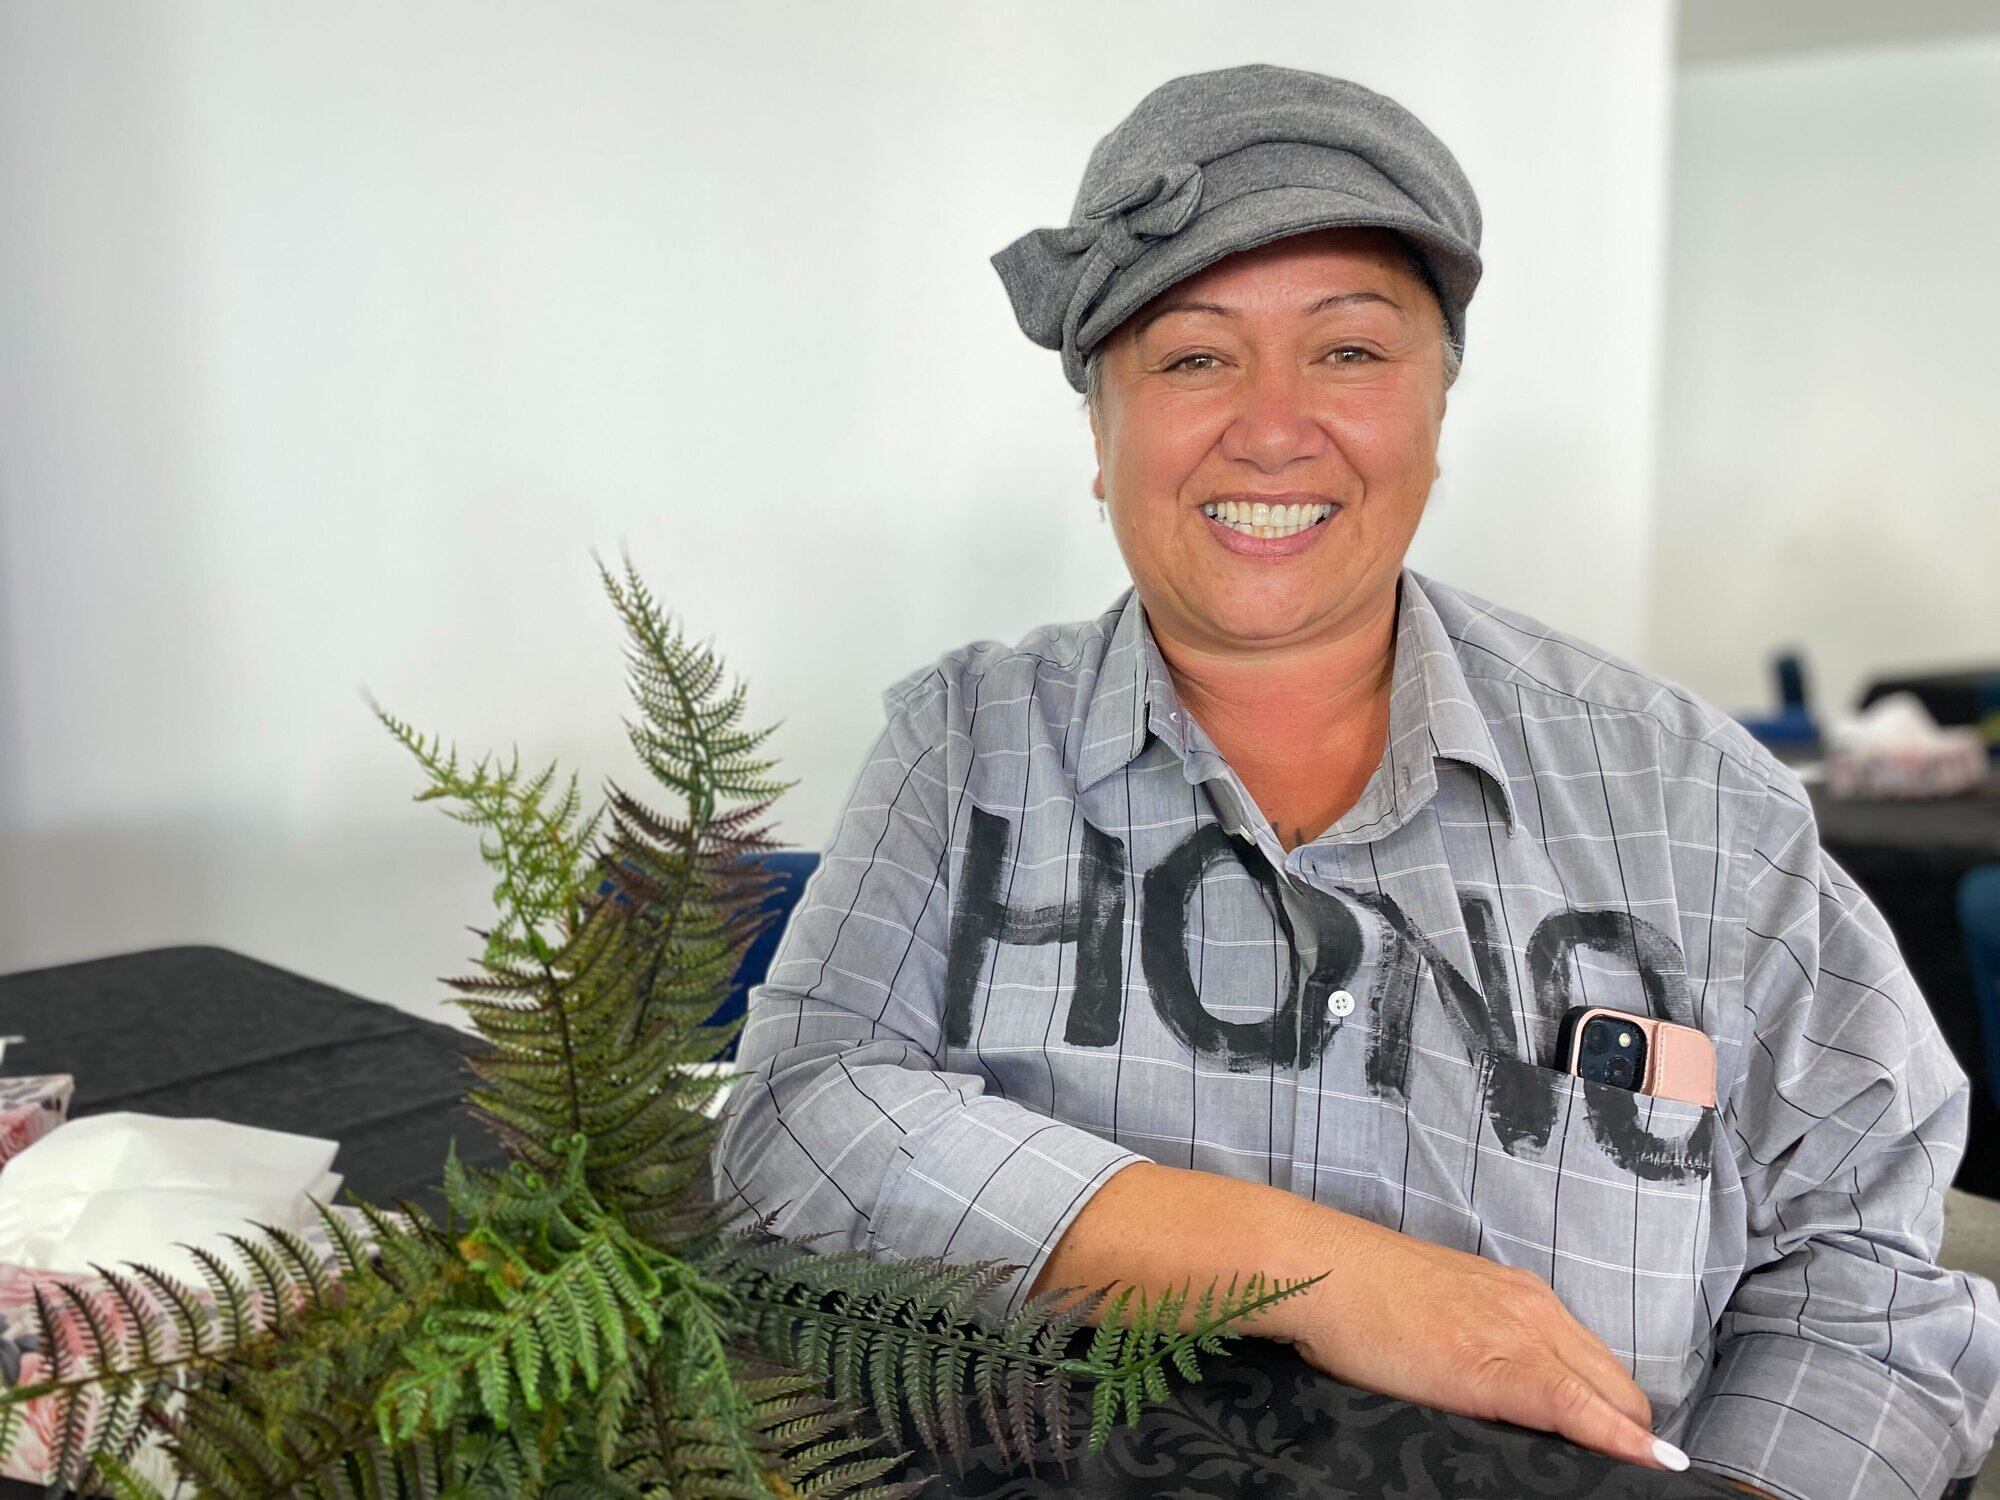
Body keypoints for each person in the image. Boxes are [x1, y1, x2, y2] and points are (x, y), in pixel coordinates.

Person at [709, 63, 1999, 1500]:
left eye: (1347, 351)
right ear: (1100, 436)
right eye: (1193, 359)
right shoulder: (968, 745)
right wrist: (1321, 1275)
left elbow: (1868, 1274)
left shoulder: (1694, 797)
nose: (1272, 428)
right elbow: (795, 1123)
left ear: (1438, 407)